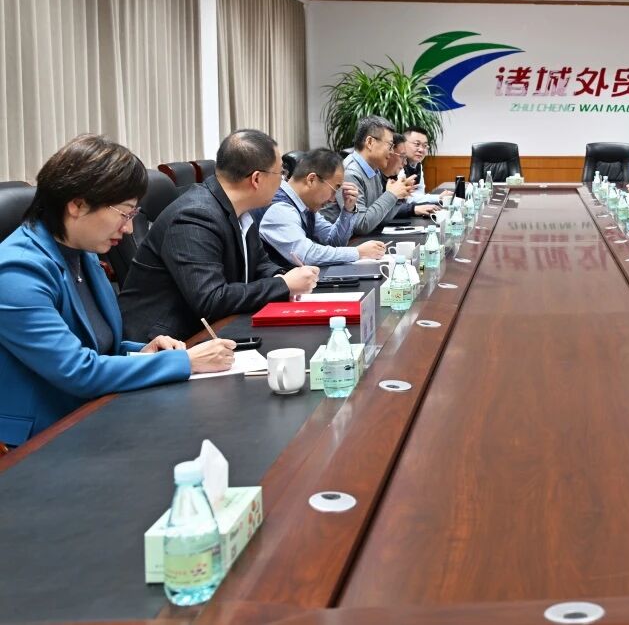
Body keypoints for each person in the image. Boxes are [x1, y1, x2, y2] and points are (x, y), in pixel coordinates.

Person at [0, 136, 235, 446]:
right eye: (125, 214)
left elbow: (95, 344)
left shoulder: (81, 252)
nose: (128, 229)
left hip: (95, 413)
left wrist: (141, 352)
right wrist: (186, 361)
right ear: (77, 205)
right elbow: (76, 370)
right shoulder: (16, 272)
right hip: (41, 440)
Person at [119, 130, 318, 341]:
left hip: (214, 330)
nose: (283, 182)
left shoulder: (239, 210)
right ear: (257, 179)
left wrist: (283, 276)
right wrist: (284, 284)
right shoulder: (195, 216)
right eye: (280, 174)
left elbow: (260, 265)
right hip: (165, 344)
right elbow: (211, 300)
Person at [258, 148, 386, 268]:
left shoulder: (305, 206)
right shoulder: (280, 208)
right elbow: (307, 255)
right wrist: (358, 252)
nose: (333, 199)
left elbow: (333, 241)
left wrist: (348, 210)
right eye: (334, 189)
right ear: (311, 179)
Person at [321, 116, 416, 235]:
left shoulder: (373, 170)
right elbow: (360, 225)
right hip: (340, 242)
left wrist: (398, 197)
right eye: (390, 145)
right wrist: (391, 194)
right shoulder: (350, 172)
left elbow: (379, 220)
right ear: (370, 142)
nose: (392, 151)